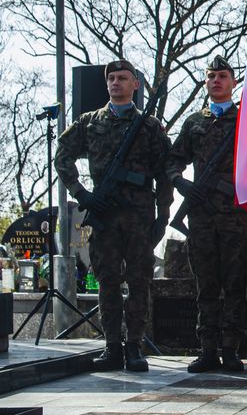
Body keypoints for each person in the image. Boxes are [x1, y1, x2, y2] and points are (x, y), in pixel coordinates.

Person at [54, 60, 172, 372]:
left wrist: (163, 214)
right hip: (104, 213)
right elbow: (62, 156)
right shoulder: (89, 122)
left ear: (135, 85)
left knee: (139, 282)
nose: (116, 82)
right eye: (112, 78)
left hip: (139, 215)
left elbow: (165, 172)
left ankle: (134, 346)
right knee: (107, 281)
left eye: (123, 78)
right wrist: (81, 193)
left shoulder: (150, 126)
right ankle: (112, 347)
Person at [168, 55, 247, 373]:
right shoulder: (194, 122)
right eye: (211, 76)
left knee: (234, 283)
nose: (216, 80)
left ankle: (230, 349)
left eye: (222, 76)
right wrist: (180, 183)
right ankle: (207, 350)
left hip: (234, 214)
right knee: (205, 285)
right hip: (201, 214)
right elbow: (173, 159)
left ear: (233, 82)